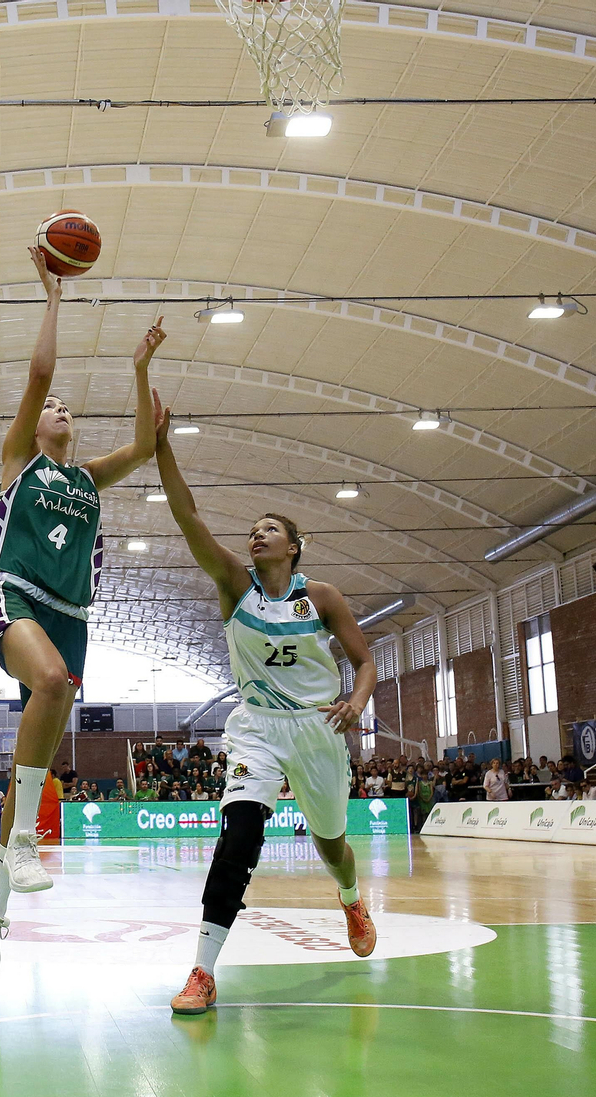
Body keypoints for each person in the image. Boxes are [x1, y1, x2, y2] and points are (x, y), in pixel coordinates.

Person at [0, 254, 164, 981]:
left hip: (71, 612)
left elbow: (144, 446)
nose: (62, 412)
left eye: (70, 412)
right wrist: (53, 299)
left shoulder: (87, 477)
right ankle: (20, 847)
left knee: (36, 767)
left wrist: (139, 370)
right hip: (13, 594)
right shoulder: (22, 462)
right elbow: (39, 377)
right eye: (57, 411)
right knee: (49, 680)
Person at [153, 406, 378, 1016]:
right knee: (240, 835)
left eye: (270, 529)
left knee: (332, 845)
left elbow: (365, 662)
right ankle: (202, 971)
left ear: (295, 548)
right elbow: (187, 515)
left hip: (317, 727)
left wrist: (356, 703)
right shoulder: (234, 583)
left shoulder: (322, 597)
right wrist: (160, 446)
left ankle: (351, 897)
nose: (257, 534)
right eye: (253, 528)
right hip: (255, 725)